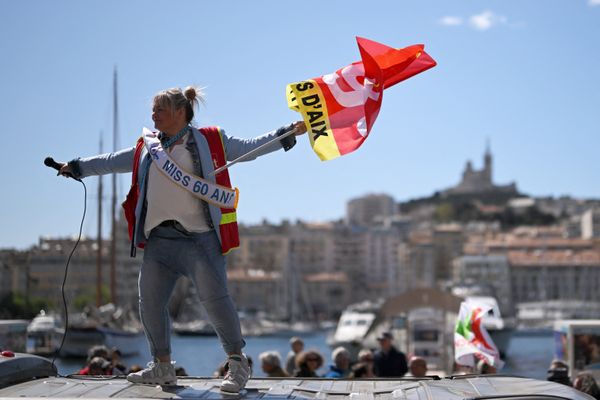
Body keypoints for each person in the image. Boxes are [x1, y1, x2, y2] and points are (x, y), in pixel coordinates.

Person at [57, 86, 306, 392]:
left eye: (159, 109)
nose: (153, 115)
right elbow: (111, 160)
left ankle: (238, 365)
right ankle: (162, 367)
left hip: (200, 240)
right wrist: (78, 167)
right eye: (153, 110)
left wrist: (285, 133)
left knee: (216, 302)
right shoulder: (147, 148)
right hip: (160, 241)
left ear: (179, 112)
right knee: (149, 304)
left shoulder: (210, 140)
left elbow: (249, 147)